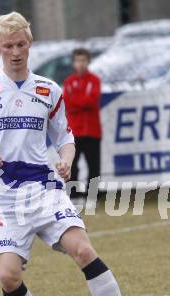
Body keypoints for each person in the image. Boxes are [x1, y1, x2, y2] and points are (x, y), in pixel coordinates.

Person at [0, 11, 153, 296]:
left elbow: (65, 139)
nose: (15, 52)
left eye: (21, 44)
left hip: (45, 190)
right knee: (7, 274)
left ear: (29, 44)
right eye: (8, 46)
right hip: (1, 197)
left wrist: (65, 160)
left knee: (84, 251)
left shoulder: (49, 90)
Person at [63, 48, 102, 198]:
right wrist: (80, 103)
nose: (80, 64)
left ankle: (93, 196)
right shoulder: (69, 82)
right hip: (74, 131)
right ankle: (73, 195)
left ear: (88, 62)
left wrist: (77, 103)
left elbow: (92, 100)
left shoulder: (94, 80)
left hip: (92, 130)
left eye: (83, 61)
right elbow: (68, 103)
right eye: (78, 61)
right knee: (72, 165)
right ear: (73, 63)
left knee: (94, 166)